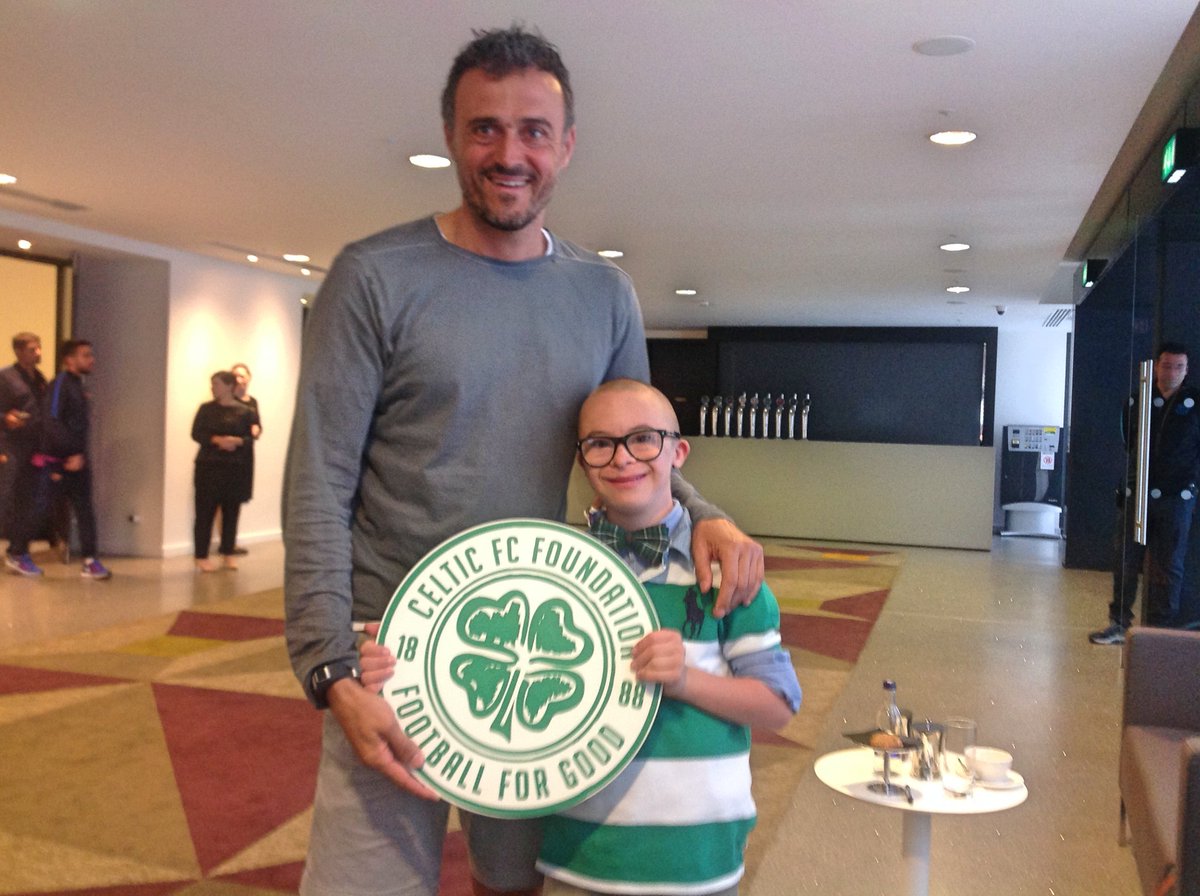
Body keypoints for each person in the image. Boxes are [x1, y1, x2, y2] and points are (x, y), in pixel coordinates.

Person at [282, 26, 765, 896]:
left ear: (566, 145)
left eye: (534, 131)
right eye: (485, 128)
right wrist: (328, 667)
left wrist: (706, 514)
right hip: (388, 649)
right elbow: (318, 481)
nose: (510, 154)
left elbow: (635, 449)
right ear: (450, 135)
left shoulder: (602, 293)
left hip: (546, 641)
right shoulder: (374, 277)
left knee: (515, 883)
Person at [361, 379, 800, 895]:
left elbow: (778, 706)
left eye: (643, 438)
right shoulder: (551, 574)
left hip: (698, 860)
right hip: (579, 857)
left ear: (678, 452)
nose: (622, 458)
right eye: (600, 443)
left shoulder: (728, 574)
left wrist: (685, 680)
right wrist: (408, 654)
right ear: (581, 461)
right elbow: (498, 669)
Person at [1090, 342, 1200, 644]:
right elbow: (1129, 441)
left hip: (1176, 499)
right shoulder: (1138, 400)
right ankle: (1118, 624)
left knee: (1169, 565)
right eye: (1167, 366)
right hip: (1138, 496)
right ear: (1156, 367)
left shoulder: (1195, 403)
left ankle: (1161, 631)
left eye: (1179, 367)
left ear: (1186, 370)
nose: (1172, 372)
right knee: (1126, 560)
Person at [33, 339, 112, 579]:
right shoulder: (60, 384)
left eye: (91, 355)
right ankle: (17, 552)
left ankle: (90, 560)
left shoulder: (79, 385)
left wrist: (80, 454)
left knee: (85, 510)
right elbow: (51, 421)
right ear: (69, 360)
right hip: (59, 462)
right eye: (85, 355)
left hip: (79, 460)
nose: (91, 359)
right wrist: (70, 453)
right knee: (39, 508)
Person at [191, 370, 255, 572]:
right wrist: (216, 440)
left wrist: (237, 441)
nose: (213, 388)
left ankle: (228, 552)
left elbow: (251, 437)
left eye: (216, 384)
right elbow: (196, 433)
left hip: (234, 467)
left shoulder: (245, 411)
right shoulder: (206, 409)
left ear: (229, 386)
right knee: (205, 512)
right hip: (209, 466)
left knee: (231, 511)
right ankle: (201, 555)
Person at [2, 332, 49, 576]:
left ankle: (18, 552)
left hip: (34, 448)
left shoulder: (40, 379)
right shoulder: (6, 378)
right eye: (32, 349)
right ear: (19, 352)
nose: (38, 353)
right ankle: (17, 551)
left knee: (29, 502)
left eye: (39, 348)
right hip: (11, 447)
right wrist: (6, 418)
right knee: (6, 500)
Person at [230, 362, 261, 555]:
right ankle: (227, 543)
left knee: (237, 497)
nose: (239, 379)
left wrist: (256, 430)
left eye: (242, 375)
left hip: (245, 454)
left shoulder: (252, 402)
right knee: (225, 499)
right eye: (235, 375)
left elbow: (256, 425)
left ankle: (230, 541)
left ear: (249, 378)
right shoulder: (227, 402)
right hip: (228, 455)